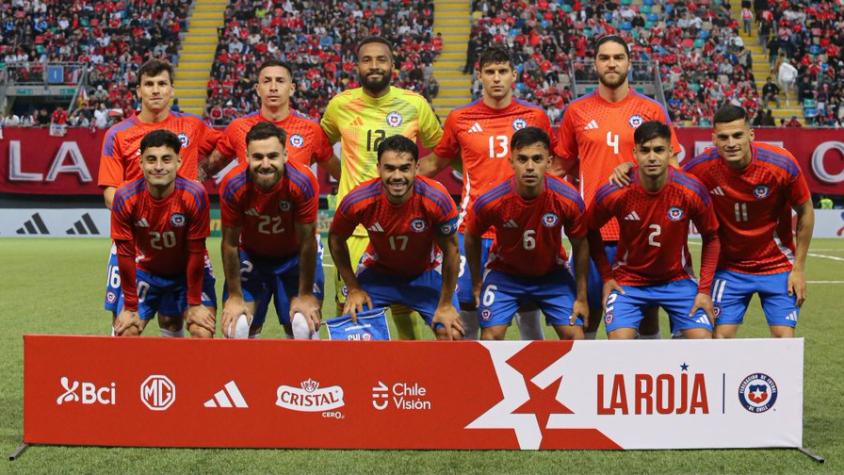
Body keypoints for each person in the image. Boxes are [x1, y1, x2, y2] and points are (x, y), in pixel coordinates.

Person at [419, 46, 554, 340]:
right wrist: (393, 179)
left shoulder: (535, 116)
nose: (496, 78)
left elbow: (553, 168)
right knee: (467, 306)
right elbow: (434, 163)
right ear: (479, 75)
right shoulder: (460, 118)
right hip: (473, 229)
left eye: (502, 71)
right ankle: (471, 369)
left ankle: (532, 369)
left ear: (514, 75)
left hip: (523, 228)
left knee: (528, 312)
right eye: (490, 72)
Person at [555, 35, 681, 340]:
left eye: (618, 57)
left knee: (647, 316)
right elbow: (560, 168)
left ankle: (647, 370)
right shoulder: (577, 111)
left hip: (640, 231)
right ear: (595, 63)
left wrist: (634, 169)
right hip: (592, 232)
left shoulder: (651, 109)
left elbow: (673, 167)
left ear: (629, 63)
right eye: (605, 58)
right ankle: (585, 372)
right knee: (586, 316)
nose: (611, 64)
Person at [321, 36, 444, 340]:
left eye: (381, 59)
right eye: (367, 60)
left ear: (393, 65)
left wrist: (414, 176)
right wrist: (343, 176)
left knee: (405, 305)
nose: (374, 66)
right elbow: (320, 147)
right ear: (357, 66)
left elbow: (442, 149)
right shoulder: (340, 105)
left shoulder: (414, 104)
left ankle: (409, 364)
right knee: (349, 305)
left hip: (402, 223)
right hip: (355, 227)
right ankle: (351, 365)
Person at [97, 59, 220, 336]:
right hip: (136, 240)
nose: (155, 90)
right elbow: (110, 193)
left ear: (172, 90)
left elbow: (225, 146)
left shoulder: (192, 125)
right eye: (149, 84)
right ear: (138, 91)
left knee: (176, 321)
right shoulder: (117, 134)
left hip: (182, 239)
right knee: (124, 324)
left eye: (162, 84)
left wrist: (204, 170)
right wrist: (147, 213)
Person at [680, 105, 814, 338]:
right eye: (724, 137)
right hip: (729, 268)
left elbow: (806, 210)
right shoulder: (701, 168)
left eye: (737, 135)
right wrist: (630, 169)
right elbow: (667, 179)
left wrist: (799, 269)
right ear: (714, 139)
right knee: (720, 336)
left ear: (751, 135)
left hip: (777, 264)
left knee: (784, 337)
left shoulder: (780, 164)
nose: (731, 143)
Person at [587, 121, 719, 340]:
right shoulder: (616, 191)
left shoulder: (690, 190)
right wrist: (607, 276)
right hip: (628, 281)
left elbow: (712, 237)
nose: (652, 157)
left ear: (670, 152)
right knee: (619, 343)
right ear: (634, 154)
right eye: (645, 150)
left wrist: (704, 290)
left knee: (703, 340)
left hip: (677, 280)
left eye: (658, 150)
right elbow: (589, 229)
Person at [328, 135, 463, 340]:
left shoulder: (436, 198)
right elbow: (335, 239)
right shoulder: (359, 200)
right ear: (378, 169)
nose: (397, 176)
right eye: (390, 168)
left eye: (404, 168)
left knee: (451, 333)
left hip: (426, 273)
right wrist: (353, 288)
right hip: (377, 273)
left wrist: (445, 305)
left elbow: (452, 250)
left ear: (416, 168)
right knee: (354, 334)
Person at [464, 127, 589, 340]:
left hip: (553, 275)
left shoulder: (568, 199)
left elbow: (580, 244)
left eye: (537, 159)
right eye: (522, 159)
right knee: (491, 336)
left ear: (549, 162)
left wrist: (581, 296)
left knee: (575, 336)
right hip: (505, 275)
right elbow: (471, 236)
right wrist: (476, 282)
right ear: (511, 161)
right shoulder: (492, 200)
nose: (530, 167)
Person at [219, 122, 322, 338]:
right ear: (247, 157)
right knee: (236, 327)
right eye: (258, 157)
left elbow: (308, 242)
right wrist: (235, 295)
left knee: (303, 325)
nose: (265, 164)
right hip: (252, 257)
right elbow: (229, 244)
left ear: (285, 155)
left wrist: (305, 294)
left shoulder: (302, 181)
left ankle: (306, 362)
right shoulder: (233, 184)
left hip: (293, 258)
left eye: (272, 156)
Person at [110, 129, 216, 337]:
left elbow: (196, 252)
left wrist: (195, 303)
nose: (158, 167)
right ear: (141, 163)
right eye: (151, 160)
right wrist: (130, 306)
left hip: (187, 273)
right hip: (146, 271)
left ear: (178, 162)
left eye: (166, 159)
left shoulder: (194, 194)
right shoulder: (125, 196)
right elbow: (125, 253)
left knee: (202, 330)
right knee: (126, 330)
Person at [212, 60, 338, 179]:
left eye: (280, 81)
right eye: (267, 81)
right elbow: (207, 168)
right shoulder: (237, 127)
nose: (273, 87)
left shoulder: (312, 130)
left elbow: (341, 175)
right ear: (258, 89)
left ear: (292, 89)